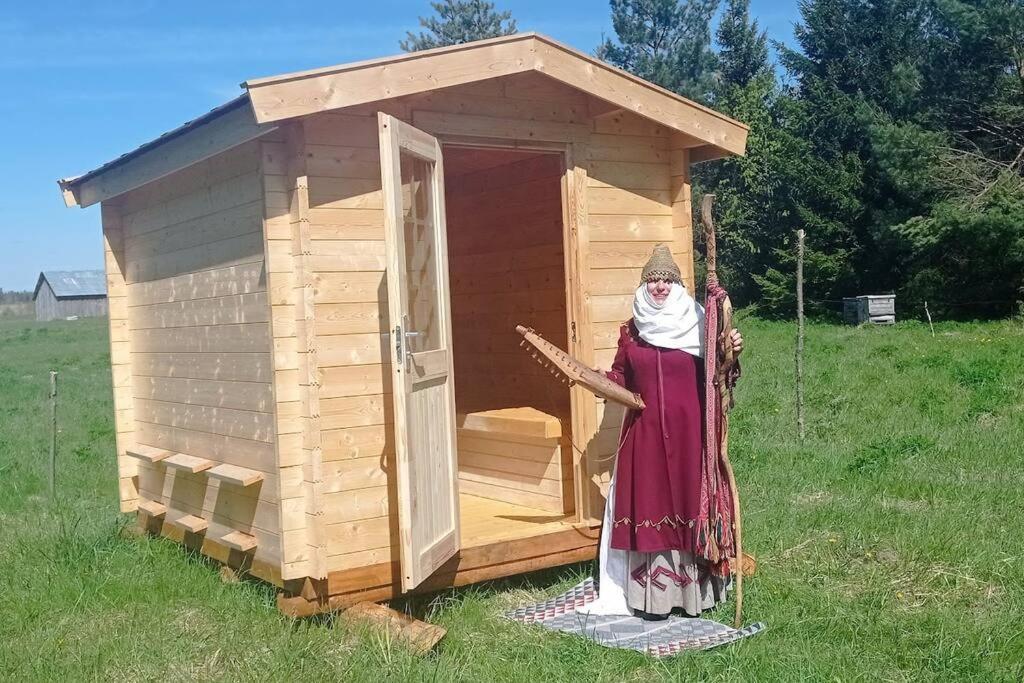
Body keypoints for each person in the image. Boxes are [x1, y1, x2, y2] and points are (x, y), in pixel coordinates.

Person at [578, 244, 743, 620]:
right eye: (653, 280)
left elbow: (721, 373)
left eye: (667, 280)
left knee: (688, 503)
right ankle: (652, 599)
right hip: (644, 437)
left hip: (691, 437)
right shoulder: (633, 331)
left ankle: (696, 595)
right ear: (644, 285)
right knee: (652, 505)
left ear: (678, 284)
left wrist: (731, 348)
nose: (660, 287)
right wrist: (599, 381)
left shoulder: (699, 323)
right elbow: (621, 374)